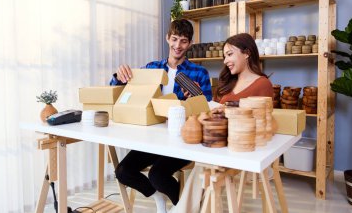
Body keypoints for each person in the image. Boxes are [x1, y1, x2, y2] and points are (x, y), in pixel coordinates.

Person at [110, 19, 212, 213]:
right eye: (174, 39)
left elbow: (208, 111)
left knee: (157, 176)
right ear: (167, 38)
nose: (178, 46)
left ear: (189, 43)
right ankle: (158, 198)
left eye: (183, 41)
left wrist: (197, 100)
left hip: (182, 139)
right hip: (154, 137)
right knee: (123, 171)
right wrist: (118, 76)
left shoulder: (199, 73)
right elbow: (123, 91)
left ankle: (181, 207)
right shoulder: (152, 68)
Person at [170, 33, 273, 213]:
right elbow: (213, 111)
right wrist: (200, 100)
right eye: (224, 56)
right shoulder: (228, 83)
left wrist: (226, 111)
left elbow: (259, 124)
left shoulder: (262, 84)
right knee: (202, 163)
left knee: (204, 166)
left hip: (241, 149)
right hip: (219, 143)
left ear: (247, 53)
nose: (226, 61)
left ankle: (182, 210)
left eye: (230, 54)